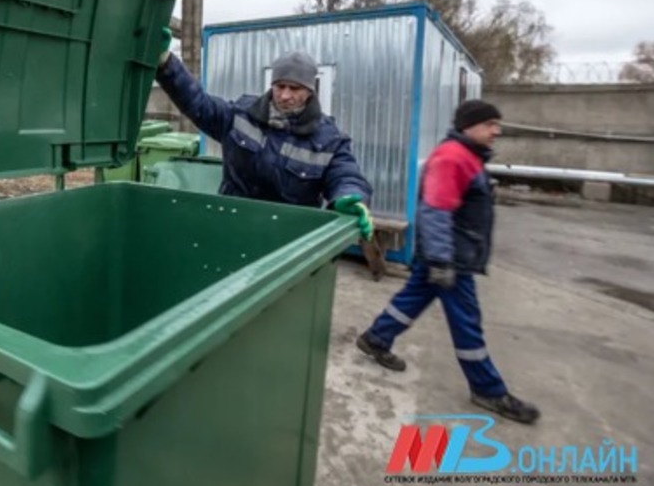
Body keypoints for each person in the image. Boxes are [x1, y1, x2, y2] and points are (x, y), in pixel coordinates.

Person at [355, 99, 540, 424]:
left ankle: (376, 338)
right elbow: (436, 211)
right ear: (470, 125)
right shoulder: (454, 157)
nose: (497, 131)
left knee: (411, 300)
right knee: (467, 323)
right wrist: (442, 261)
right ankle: (489, 390)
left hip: (446, 256)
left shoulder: (465, 156)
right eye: (490, 125)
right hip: (449, 259)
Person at [154, 28, 374, 238]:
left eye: (294, 88)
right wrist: (166, 62)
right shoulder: (241, 115)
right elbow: (198, 104)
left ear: (309, 90)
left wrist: (350, 198)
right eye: (280, 86)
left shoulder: (329, 139)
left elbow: (346, 176)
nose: (285, 95)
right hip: (231, 229)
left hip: (289, 242)